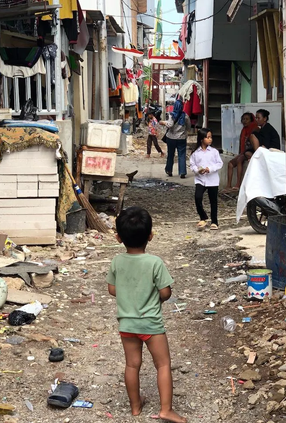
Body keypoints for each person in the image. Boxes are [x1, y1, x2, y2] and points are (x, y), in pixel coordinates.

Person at [107, 207, 187, 423]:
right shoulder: (154, 263)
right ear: (150, 236)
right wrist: (156, 297)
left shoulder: (116, 261)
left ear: (118, 237)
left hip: (127, 323)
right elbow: (166, 292)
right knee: (162, 364)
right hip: (151, 324)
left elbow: (112, 290)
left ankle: (135, 407)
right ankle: (166, 410)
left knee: (132, 364)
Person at [189, 128, 223, 230]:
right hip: (200, 179)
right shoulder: (195, 153)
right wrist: (197, 170)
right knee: (198, 197)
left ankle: (214, 221)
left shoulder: (214, 152)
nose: (210, 139)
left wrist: (210, 169)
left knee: (213, 201)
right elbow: (192, 165)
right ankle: (203, 217)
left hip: (212, 179)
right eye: (208, 137)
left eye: (211, 137)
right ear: (201, 139)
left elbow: (219, 163)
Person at [225, 112, 258, 192]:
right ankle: (228, 186)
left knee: (240, 160)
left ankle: (238, 184)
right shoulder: (243, 130)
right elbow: (241, 144)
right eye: (243, 119)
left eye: (247, 119)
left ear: (251, 120)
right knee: (230, 164)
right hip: (243, 152)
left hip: (251, 152)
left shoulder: (255, 129)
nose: (245, 121)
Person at [159, 99, 191, 178]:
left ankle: (169, 170)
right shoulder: (186, 116)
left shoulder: (171, 115)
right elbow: (189, 128)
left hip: (171, 138)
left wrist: (163, 122)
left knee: (170, 154)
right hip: (182, 138)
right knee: (182, 155)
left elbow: (170, 125)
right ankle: (182, 172)